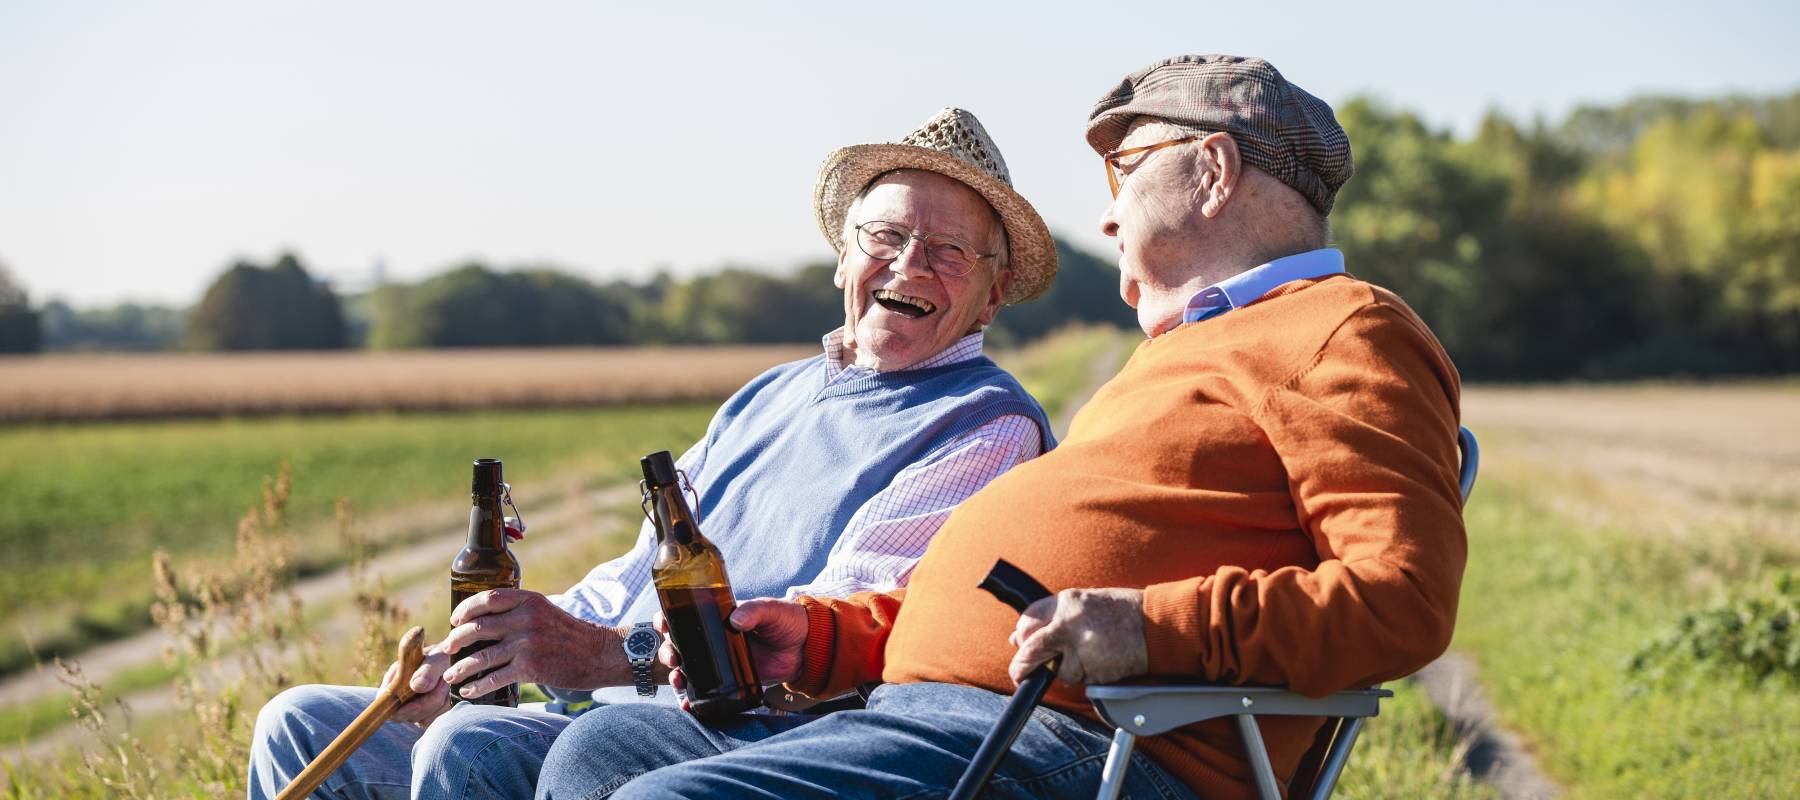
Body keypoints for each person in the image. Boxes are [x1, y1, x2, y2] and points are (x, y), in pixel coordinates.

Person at [533, 54, 1467, 800]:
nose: (1106, 215)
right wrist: (826, 640)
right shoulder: (1180, 357)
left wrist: (1150, 629)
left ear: (1214, 171)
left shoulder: (1342, 328)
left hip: (1092, 750)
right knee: (598, 754)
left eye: (1124, 170)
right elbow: (1015, 593)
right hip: (943, 715)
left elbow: (1404, 599)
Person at [245, 106, 1061, 800]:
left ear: (993, 293)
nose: (908, 264)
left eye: (949, 250)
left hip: (737, 744)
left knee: (472, 749)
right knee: (305, 723)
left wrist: (604, 655)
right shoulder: (773, 392)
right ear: (843, 255)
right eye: (884, 234)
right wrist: (506, 645)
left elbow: (829, 633)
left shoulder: (982, 425)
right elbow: (639, 571)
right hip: (608, 706)